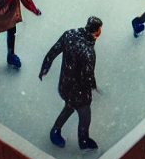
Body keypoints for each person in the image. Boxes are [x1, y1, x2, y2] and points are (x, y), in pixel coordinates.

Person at [41, 16, 102, 151]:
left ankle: (55, 131)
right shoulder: (88, 51)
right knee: (85, 115)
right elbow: (88, 75)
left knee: (69, 107)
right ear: (97, 31)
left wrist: (45, 66)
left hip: (65, 84)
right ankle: (83, 140)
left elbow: (54, 51)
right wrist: (91, 90)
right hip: (78, 90)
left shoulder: (69, 35)